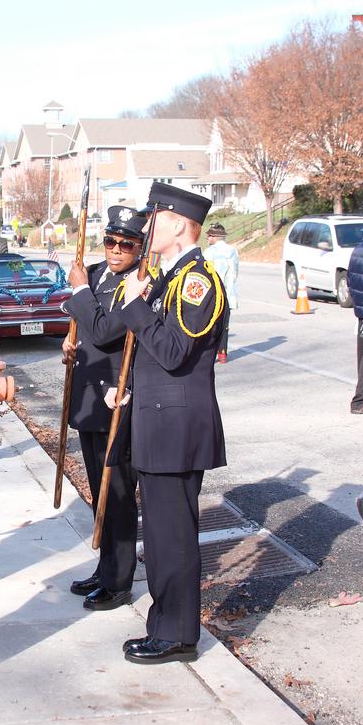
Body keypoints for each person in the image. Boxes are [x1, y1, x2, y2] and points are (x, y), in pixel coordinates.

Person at [116, 182, 226, 665]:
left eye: (154, 218)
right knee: (160, 536)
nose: (146, 226)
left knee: (173, 535)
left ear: (181, 224)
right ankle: (165, 625)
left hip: (176, 429)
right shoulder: (168, 277)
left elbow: (176, 352)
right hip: (158, 425)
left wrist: (138, 307)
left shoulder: (197, 280)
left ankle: (179, 633)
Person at [62, 206, 146, 610]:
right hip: (89, 398)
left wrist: (79, 292)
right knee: (99, 491)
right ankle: (105, 565)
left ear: (140, 248)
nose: (115, 250)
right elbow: (81, 327)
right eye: (110, 241)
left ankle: (119, 580)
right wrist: (68, 341)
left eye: (126, 244)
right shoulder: (95, 273)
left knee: (118, 493)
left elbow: (106, 330)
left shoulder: (140, 284)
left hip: (118, 399)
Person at [203, 222, 238, 363]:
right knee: (224, 324)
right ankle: (222, 353)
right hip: (228, 293)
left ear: (215, 237)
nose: (207, 238)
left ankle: (208, 354)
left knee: (209, 324)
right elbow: (235, 273)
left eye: (209, 236)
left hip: (212, 294)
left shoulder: (208, 252)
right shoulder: (232, 251)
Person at [346, 233, 363, 414]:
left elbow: (349, 280)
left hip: (362, 312)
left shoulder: (357, 250)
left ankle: (360, 400)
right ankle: (360, 401)